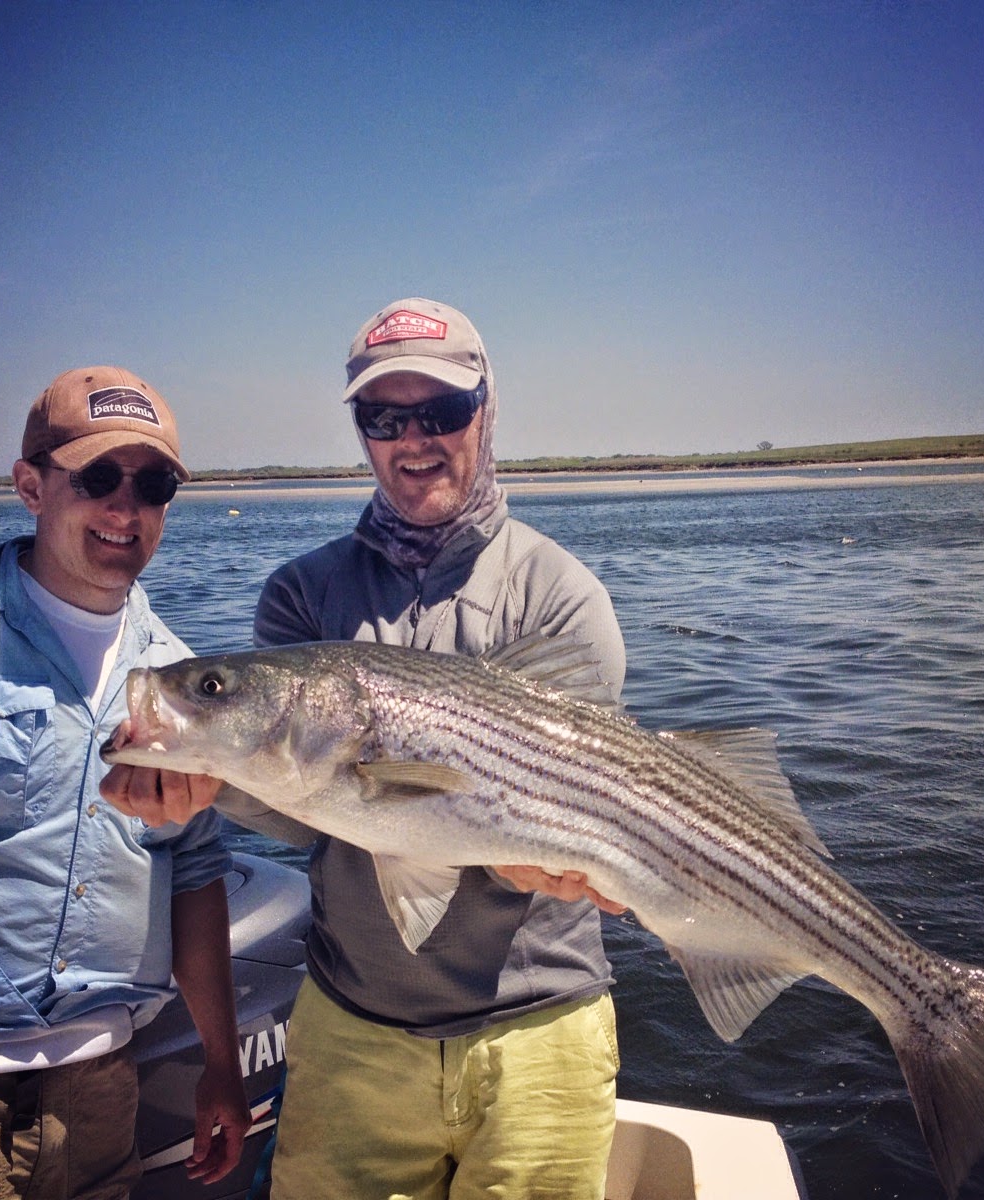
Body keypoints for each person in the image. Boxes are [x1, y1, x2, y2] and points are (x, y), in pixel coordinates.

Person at [108, 300, 629, 1198]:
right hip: (355, 1030)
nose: (413, 438)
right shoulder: (302, 595)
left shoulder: (561, 595)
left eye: (442, 411)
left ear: (487, 411)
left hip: (541, 1031)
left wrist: (547, 854)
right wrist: (205, 781)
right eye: (384, 418)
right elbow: (314, 813)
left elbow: (564, 806)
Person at [0, 366, 251, 1200]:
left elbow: (196, 874)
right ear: (30, 485)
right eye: (98, 477)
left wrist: (221, 1060)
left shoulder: (186, 679)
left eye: (154, 484)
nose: (124, 508)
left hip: (102, 1088)